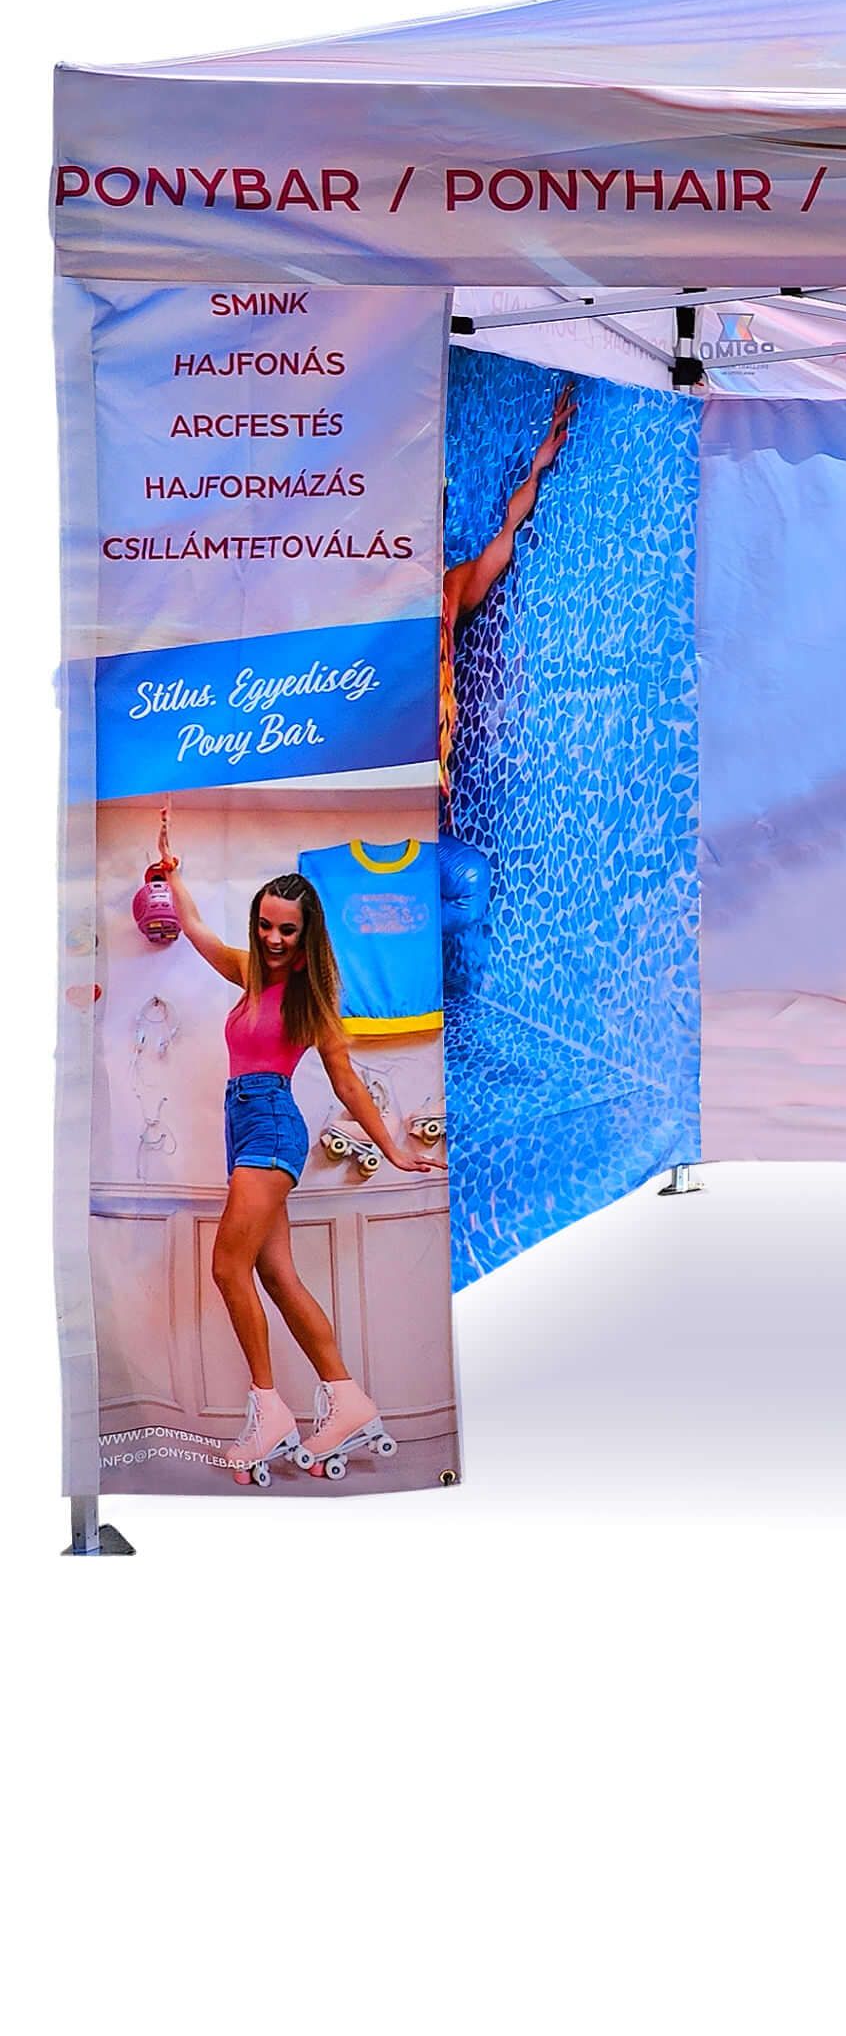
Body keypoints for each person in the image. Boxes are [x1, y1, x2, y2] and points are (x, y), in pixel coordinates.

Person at [158, 837, 443, 1482]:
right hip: (244, 1127)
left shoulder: (311, 1000)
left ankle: (269, 1412)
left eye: (287, 929)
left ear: (307, 934)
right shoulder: (248, 972)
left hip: (271, 1127)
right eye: (265, 925)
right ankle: (347, 1399)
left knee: (227, 1267)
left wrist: (393, 1148)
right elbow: (196, 930)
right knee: (278, 1275)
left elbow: (347, 1085)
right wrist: (172, 876)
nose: (274, 938)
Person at [437, 379, 574, 996]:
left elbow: (504, 539)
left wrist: (540, 465)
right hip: (382, 786)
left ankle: (399, 934)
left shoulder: (448, 591)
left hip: (426, 794)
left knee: (468, 888)